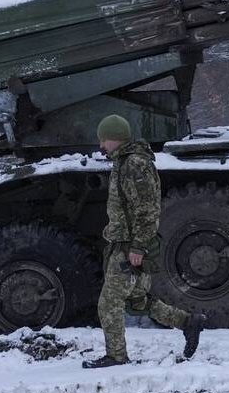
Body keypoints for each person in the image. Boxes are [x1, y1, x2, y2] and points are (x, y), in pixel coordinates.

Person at [83, 114, 206, 369]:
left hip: (131, 246)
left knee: (109, 303)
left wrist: (138, 247)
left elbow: (147, 209)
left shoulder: (135, 164)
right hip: (124, 243)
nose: (101, 146)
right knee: (138, 301)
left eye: (104, 140)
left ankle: (116, 356)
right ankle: (187, 322)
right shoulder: (124, 162)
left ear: (116, 138)